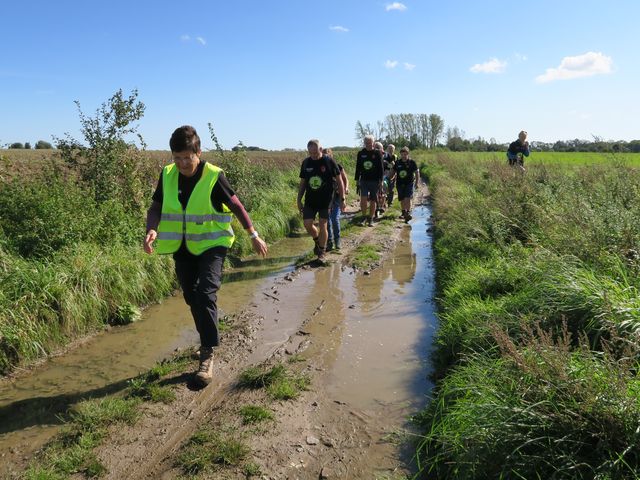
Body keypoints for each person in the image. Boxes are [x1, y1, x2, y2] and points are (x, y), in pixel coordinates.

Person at [143, 125, 268, 387]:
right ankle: (206, 336)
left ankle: (207, 354)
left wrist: (253, 234)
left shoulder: (213, 175)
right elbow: (156, 206)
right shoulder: (167, 175)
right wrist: (151, 229)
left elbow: (235, 205)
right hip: (183, 246)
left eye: (187, 157)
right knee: (191, 296)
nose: (182, 163)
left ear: (198, 152)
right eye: (177, 158)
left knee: (204, 294)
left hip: (214, 244)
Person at [297, 139, 345, 262]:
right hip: (310, 200)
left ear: (320, 149)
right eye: (310, 152)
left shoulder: (329, 161)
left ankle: (322, 252)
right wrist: (299, 199)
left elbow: (340, 181)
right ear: (308, 151)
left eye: (315, 152)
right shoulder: (306, 163)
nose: (313, 155)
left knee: (323, 224)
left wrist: (342, 199)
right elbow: (302, 183)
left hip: (326, 200)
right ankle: (317, 240)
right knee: (307, 224)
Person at [323, 148, 349, 251]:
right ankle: (329, 241)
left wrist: (346, 189)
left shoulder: (337, 167)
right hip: (325, 198)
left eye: (327, 155)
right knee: (327, 220)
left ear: (331, 155)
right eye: (324, 155)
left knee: (334, 218)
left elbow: (345, 179)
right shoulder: (321, 168)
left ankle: (337, 240)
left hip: (337, 196)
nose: (325, 157)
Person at [354, 135, 384, 226]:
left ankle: (371, 218)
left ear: (373, 143)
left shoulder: (377, 153)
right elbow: (358, 167)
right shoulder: (361, 153)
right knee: (363, 199)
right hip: (364, 180)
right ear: (364, 143)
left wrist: (381, 180)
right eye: (366, 143)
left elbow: (381, 168)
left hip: (374, 180)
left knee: (373, 200)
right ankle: (363, 217)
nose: (368, 144)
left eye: (370, 143)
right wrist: (357, 180)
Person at [392, 146, 419, 222]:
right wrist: (387, 179)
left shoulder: (412, 162)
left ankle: (408, 212)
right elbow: (393, 172)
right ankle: (403, 212)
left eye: (405, 154)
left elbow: (417, 173)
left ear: (408, 154)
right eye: (402, 154)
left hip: (409, 183)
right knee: (402, 199)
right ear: (400, 154)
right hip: (400, 183)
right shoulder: (397, 162)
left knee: (408, 198)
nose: (403, 156)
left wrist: (416, 183)